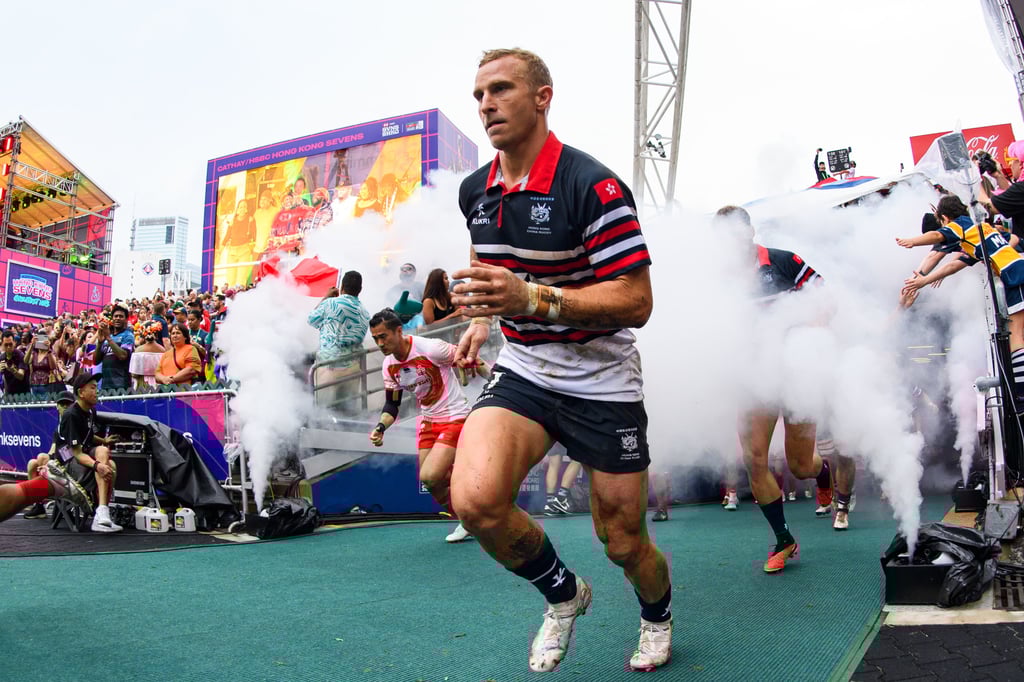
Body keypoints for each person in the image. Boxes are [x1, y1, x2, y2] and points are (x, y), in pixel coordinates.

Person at [449, 48, 671, 673]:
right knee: (475, 500)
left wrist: (531, 298)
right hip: (525, 367)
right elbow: (487, 262)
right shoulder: (474, 191)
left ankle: (657, 617)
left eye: (501, 89)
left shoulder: (592, 185)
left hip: (602, 378)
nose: (486, 105)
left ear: (542, 97)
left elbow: (637, 301)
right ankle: (563, 595)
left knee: (622, 542)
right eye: (479, 95)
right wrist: (481, 318)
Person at [714, 205, 834, 574]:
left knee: (800, 465)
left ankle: (823, 472)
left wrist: (806, 338)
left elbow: (825, 300)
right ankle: (784, 540)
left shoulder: (784, 260)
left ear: (750, 232)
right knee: (754, 459)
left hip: (797, 374)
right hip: (753, 378)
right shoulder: (716, 278)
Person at [368, 308, 482, 543]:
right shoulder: (388, 365)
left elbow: (467, 357)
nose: (379, 343)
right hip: (428, 422)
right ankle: (469, 519)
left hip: (455, 416)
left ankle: (479, 511)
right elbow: (392, 405)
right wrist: (380, 427)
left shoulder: (430, 348)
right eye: (375, 338)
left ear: (399, 331)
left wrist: (494, 378)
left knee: (431, 474)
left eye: (383, 336)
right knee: (431, 483)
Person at [898, 194, 1024, 401]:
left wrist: (912, 242)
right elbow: (954, 265)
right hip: (1017, 271)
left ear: (945, 218)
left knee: (1016, 335)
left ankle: (1020, 394)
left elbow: (937, 237)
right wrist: (925, 280)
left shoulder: (962, 225)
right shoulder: (977, 232)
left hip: (1013, 275)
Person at [53, 373, 120, 532]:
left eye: (96, 387)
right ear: (81, 392)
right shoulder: (71, 415)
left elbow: (87, 435)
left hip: (83, 459)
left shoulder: (90, 412)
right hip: (68, 465)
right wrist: (97, 466)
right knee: (107, 465)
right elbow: (76, 453)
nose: (97, 391)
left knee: (108, 460)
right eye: (92, 388)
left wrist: (104, 440)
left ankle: (102, 512)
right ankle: (101, 513)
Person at [307, 272, 370, 411]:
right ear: (360, 289)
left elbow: (311, 319)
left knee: (324, 413)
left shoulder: (331, 303)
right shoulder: (365, 312)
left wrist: (326, 297)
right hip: (353, 368)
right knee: (349, 412)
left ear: (342, 287)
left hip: (329, 367)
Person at [22, 391, 78, 519]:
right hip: (59, 458)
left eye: (68, 404)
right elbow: (53, 448)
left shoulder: (74, 421)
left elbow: (76, 448)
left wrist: (49, 462)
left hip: (71, 460)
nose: (65, 406)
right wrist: (47, 460)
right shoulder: (58, 427)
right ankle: (38, 506)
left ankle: (59, 503)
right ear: (57, 406)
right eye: (62, 404)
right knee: (32, 464)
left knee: (41, 458)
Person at [93, 304, 134, 392]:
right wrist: (100, 343)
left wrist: (108, 338)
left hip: (121, 385)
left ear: (126, 319)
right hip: (105, 385)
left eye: (121, 316)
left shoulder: (128, 335)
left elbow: (123, 356)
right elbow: (95, 361)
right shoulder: (107, 336)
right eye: (115, 316)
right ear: (112, 319)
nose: (118, 318)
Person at [543, 442, 581, 516]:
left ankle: (550, 504)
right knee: (578, 459)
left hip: (555, 435)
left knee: (553, 465)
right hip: (572, 435)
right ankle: (561, 499)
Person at [130, 323, 165, 390]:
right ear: (156, 335)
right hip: (159, 384)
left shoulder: (138, 350)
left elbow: (134, 373)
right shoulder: (163, 350)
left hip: (142, 384)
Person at [0, 330, 31, 396]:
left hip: (23, 393)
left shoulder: (20, 355)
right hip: (10, 393)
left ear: (14, 342)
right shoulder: (2, 357)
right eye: (6, 345)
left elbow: (21, 376)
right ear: (2, 344)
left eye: (10, 344)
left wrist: (13, 370)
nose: (8, 347)